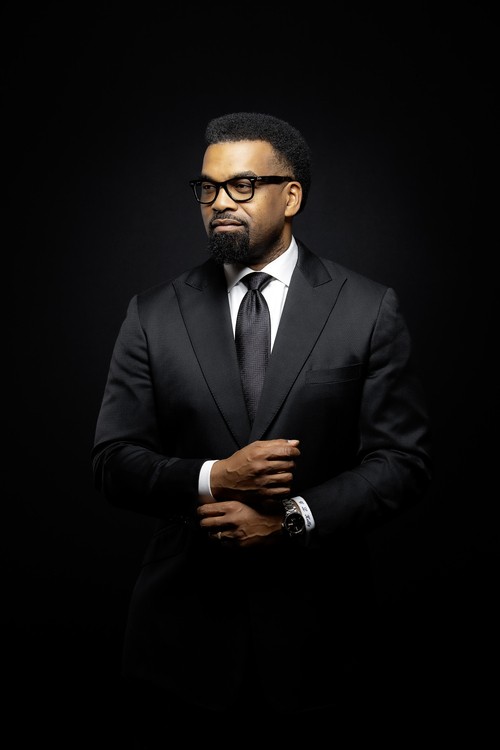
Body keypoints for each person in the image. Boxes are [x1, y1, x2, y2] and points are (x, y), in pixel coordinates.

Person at [92, 112, 432, 733]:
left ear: (291, 195)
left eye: (242, 185)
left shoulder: (367, 308)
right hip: (181, 645)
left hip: (322, 642)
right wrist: (215, 477)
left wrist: (293, 519)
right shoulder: (152, 314)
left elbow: (403, 463)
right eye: (208, 187)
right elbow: (113, 461)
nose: (220, 202)